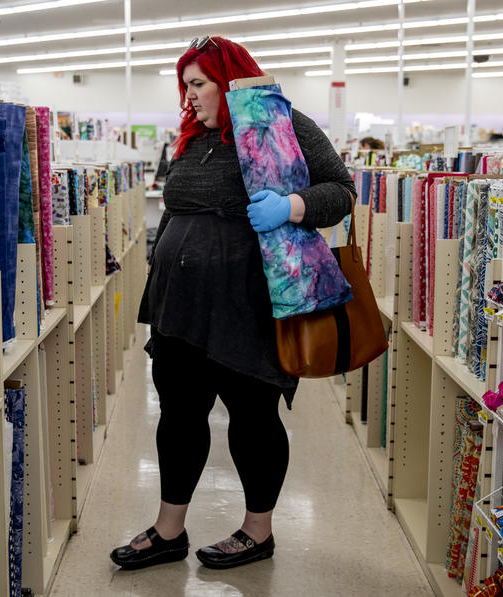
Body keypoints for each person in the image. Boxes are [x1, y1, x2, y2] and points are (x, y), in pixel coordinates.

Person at [111, 36, 356, 571]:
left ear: (230, 80)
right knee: (178, 416)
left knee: (252, 416)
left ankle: (257, 531)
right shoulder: (192, 139)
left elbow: (341, 191)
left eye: (197, 84)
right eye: (185, 86)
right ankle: (168, 530)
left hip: (247, 304)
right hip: (181, 306)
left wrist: (292, 206)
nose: (189, 96)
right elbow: (177, 209)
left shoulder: (283, 125)